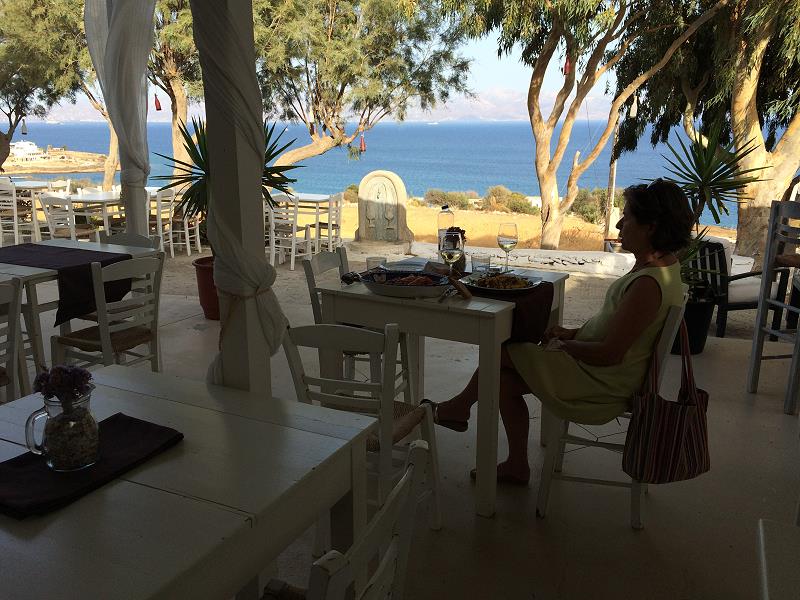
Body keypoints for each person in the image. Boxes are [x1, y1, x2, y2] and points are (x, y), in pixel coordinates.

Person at [423, 179, 694, 485]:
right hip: (601, 372)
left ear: (651, 227)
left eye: (627, 217)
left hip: (601, 383)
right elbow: (621, 331)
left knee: (503, 351)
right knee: (503, 380)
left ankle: (458, 408)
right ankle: (515, 463)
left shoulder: (647, 285)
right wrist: (573, 334)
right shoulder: (662, 269)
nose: (619, 224)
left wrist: (564, 348)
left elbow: (610, 354)